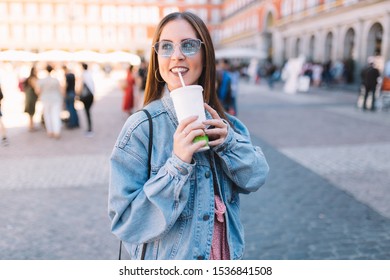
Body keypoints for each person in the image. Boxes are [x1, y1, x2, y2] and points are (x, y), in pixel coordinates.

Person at [108, 11, 269, 260]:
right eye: (166, 47)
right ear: (157, 58)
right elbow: (126, 223)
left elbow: (256, 177)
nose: (177, 55)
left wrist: (228, 144)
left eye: (189, 45)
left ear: (206, 56)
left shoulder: (227, 125)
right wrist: (177, 166)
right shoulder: (140, 128)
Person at [36, 64, 63, 139]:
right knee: (55, 115)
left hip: (45, 99)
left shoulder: (41, 80)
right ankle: (56, 131)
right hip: (56, 99)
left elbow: (37, 91)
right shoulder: (56, 80)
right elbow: (61, 90)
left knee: (47, 115)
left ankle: (50, 131)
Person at [79, 63, 95, 136]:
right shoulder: (89, 74)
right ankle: (89, 127)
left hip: (86, 96)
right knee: (88, 112)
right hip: (91, 95)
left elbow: (80, 86)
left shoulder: (83, 75)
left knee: (87, 112)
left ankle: (89, 128)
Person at [23, 66, 39, 131]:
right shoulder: (32, 78)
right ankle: (31, 126)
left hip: (30, 96)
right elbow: (35, 87)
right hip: (31, 96)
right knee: (31, 111)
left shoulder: (30, 78)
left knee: (31, 112)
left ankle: (31, 125)